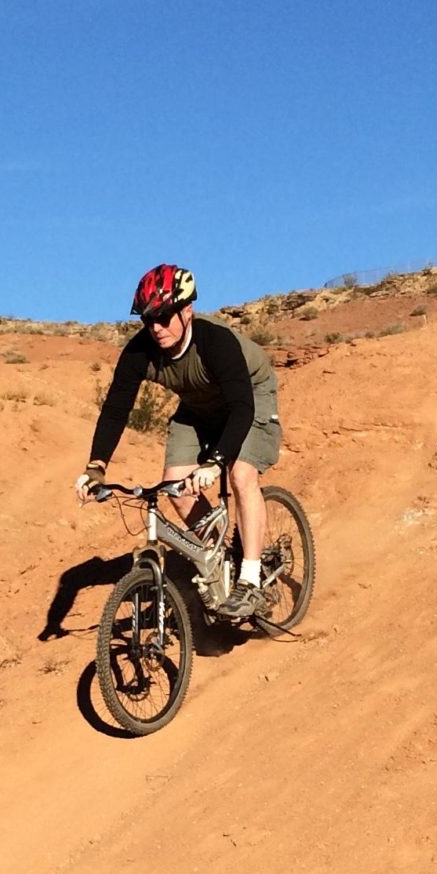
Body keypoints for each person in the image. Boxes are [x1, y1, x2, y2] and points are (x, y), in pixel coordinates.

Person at [78, 263, 283, 617]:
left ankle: (250, 579)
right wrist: (95, 467)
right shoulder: (140, 351)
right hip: (197, 406)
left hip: (249, 397)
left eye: (164, 317)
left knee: (240, 475)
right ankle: (220, 556)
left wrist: (216, 460)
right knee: (175, 483)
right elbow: (115, 410)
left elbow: (240, 407)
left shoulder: (215, 342)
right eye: (147, 319)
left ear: (187, 309)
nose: (155, 328)